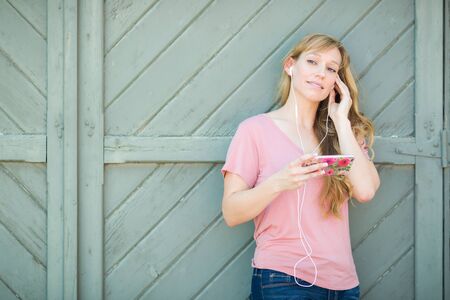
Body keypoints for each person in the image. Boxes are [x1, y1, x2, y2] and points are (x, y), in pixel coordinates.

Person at [220, 33, 380, 299]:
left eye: (331, 69)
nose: (321, 73)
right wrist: (279, 182)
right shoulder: (254, 130)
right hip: (282, 279)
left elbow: (365, 191)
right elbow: (231, 212)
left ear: (336, 82)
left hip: (343, 285)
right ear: (290, 66)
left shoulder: (345, 135)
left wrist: (340, 120)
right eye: (313, 62)